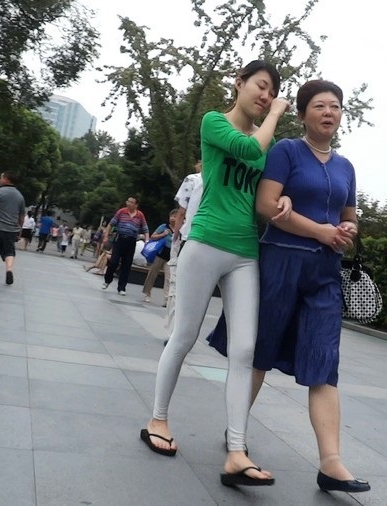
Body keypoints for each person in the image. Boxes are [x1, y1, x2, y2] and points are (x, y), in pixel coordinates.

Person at [206, 80, 369, 493]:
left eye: (335, 106)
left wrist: (347, 229)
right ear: (301, 115)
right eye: (319, 106)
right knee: (259, 354)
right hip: (280, 264)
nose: (329, 112)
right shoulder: (286, 152)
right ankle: (237, 435)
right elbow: (265, 205)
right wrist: (319, 231)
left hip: (324, 274)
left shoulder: (346, 167)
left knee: (324, 361)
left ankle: (331, 462)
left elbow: (349, 216)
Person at [141, 60, 292, 488]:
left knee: (245, 350)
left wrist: (284, 203)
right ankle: (158, 419)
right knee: (183, 336)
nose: (266, 96)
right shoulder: (214, 122)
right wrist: (277, 113)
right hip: (205, 242)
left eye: (272, 91)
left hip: (245, 252)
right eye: (261, 86)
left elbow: (266, 193)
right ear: (239, 84)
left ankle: (237, 452)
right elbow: (249, 150)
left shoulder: (266, 139)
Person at [166, 160, 204, 332]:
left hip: (188, 236)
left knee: (178, 285)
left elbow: (181, 212)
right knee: (196, 290)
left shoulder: (193, 179)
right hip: (209, 239)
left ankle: (173, 330)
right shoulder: (219, 181)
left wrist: (176, 235)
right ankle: (187, 329)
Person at [101, 196, 149, 296]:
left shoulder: (140, 215)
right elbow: (111, 224)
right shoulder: (121, 212)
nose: (128, 203)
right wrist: (106, 236)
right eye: (128, 201)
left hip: (131, 241)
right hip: (120, 239)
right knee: (113, 261)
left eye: (131, 202)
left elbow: (145, 229)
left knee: (126, 265)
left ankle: (122, 287)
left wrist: (147, 240)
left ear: (136, 205)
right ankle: (107, 280)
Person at [141, 210, 177, 304]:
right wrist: (163, 234)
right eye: (171, 216)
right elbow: (153, 236)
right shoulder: (163, 227)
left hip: (170, 257)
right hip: (160, 254)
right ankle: (147, 293)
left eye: (175, 216)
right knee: (152, 274)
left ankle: (166, 298)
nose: (172, 218)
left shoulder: (179, 229)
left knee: (169, 277)